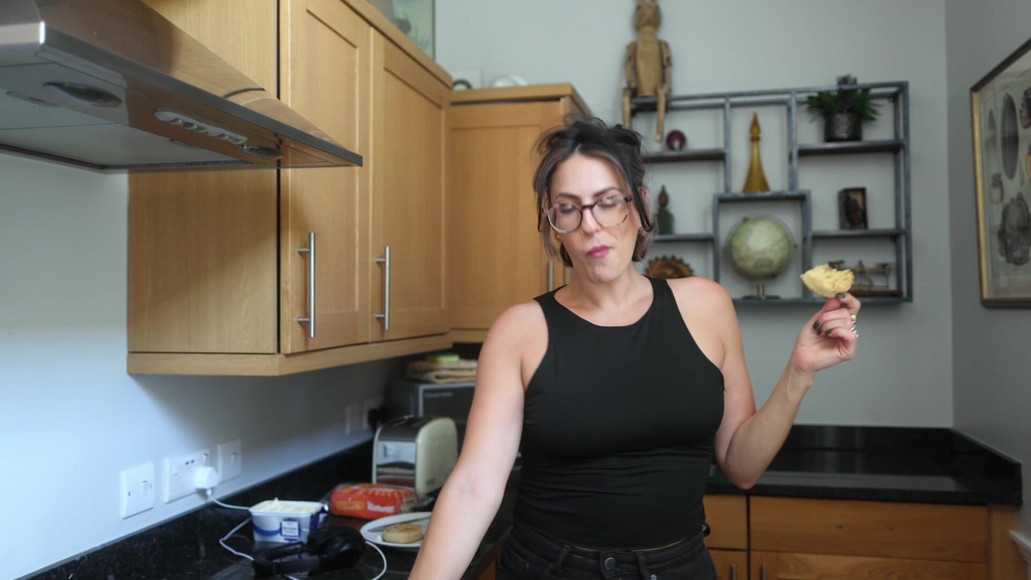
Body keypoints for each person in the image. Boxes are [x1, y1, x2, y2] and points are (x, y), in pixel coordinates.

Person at [410, 118, 860, 579]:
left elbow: (742, 466)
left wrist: (799, 372)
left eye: (608, 202)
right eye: (568, 209)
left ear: (640, 206)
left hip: (678, 568)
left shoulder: (707, 306)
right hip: (550, 568)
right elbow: (473, 488)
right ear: (554, 225)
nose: (591, 226)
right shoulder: (518, 331)